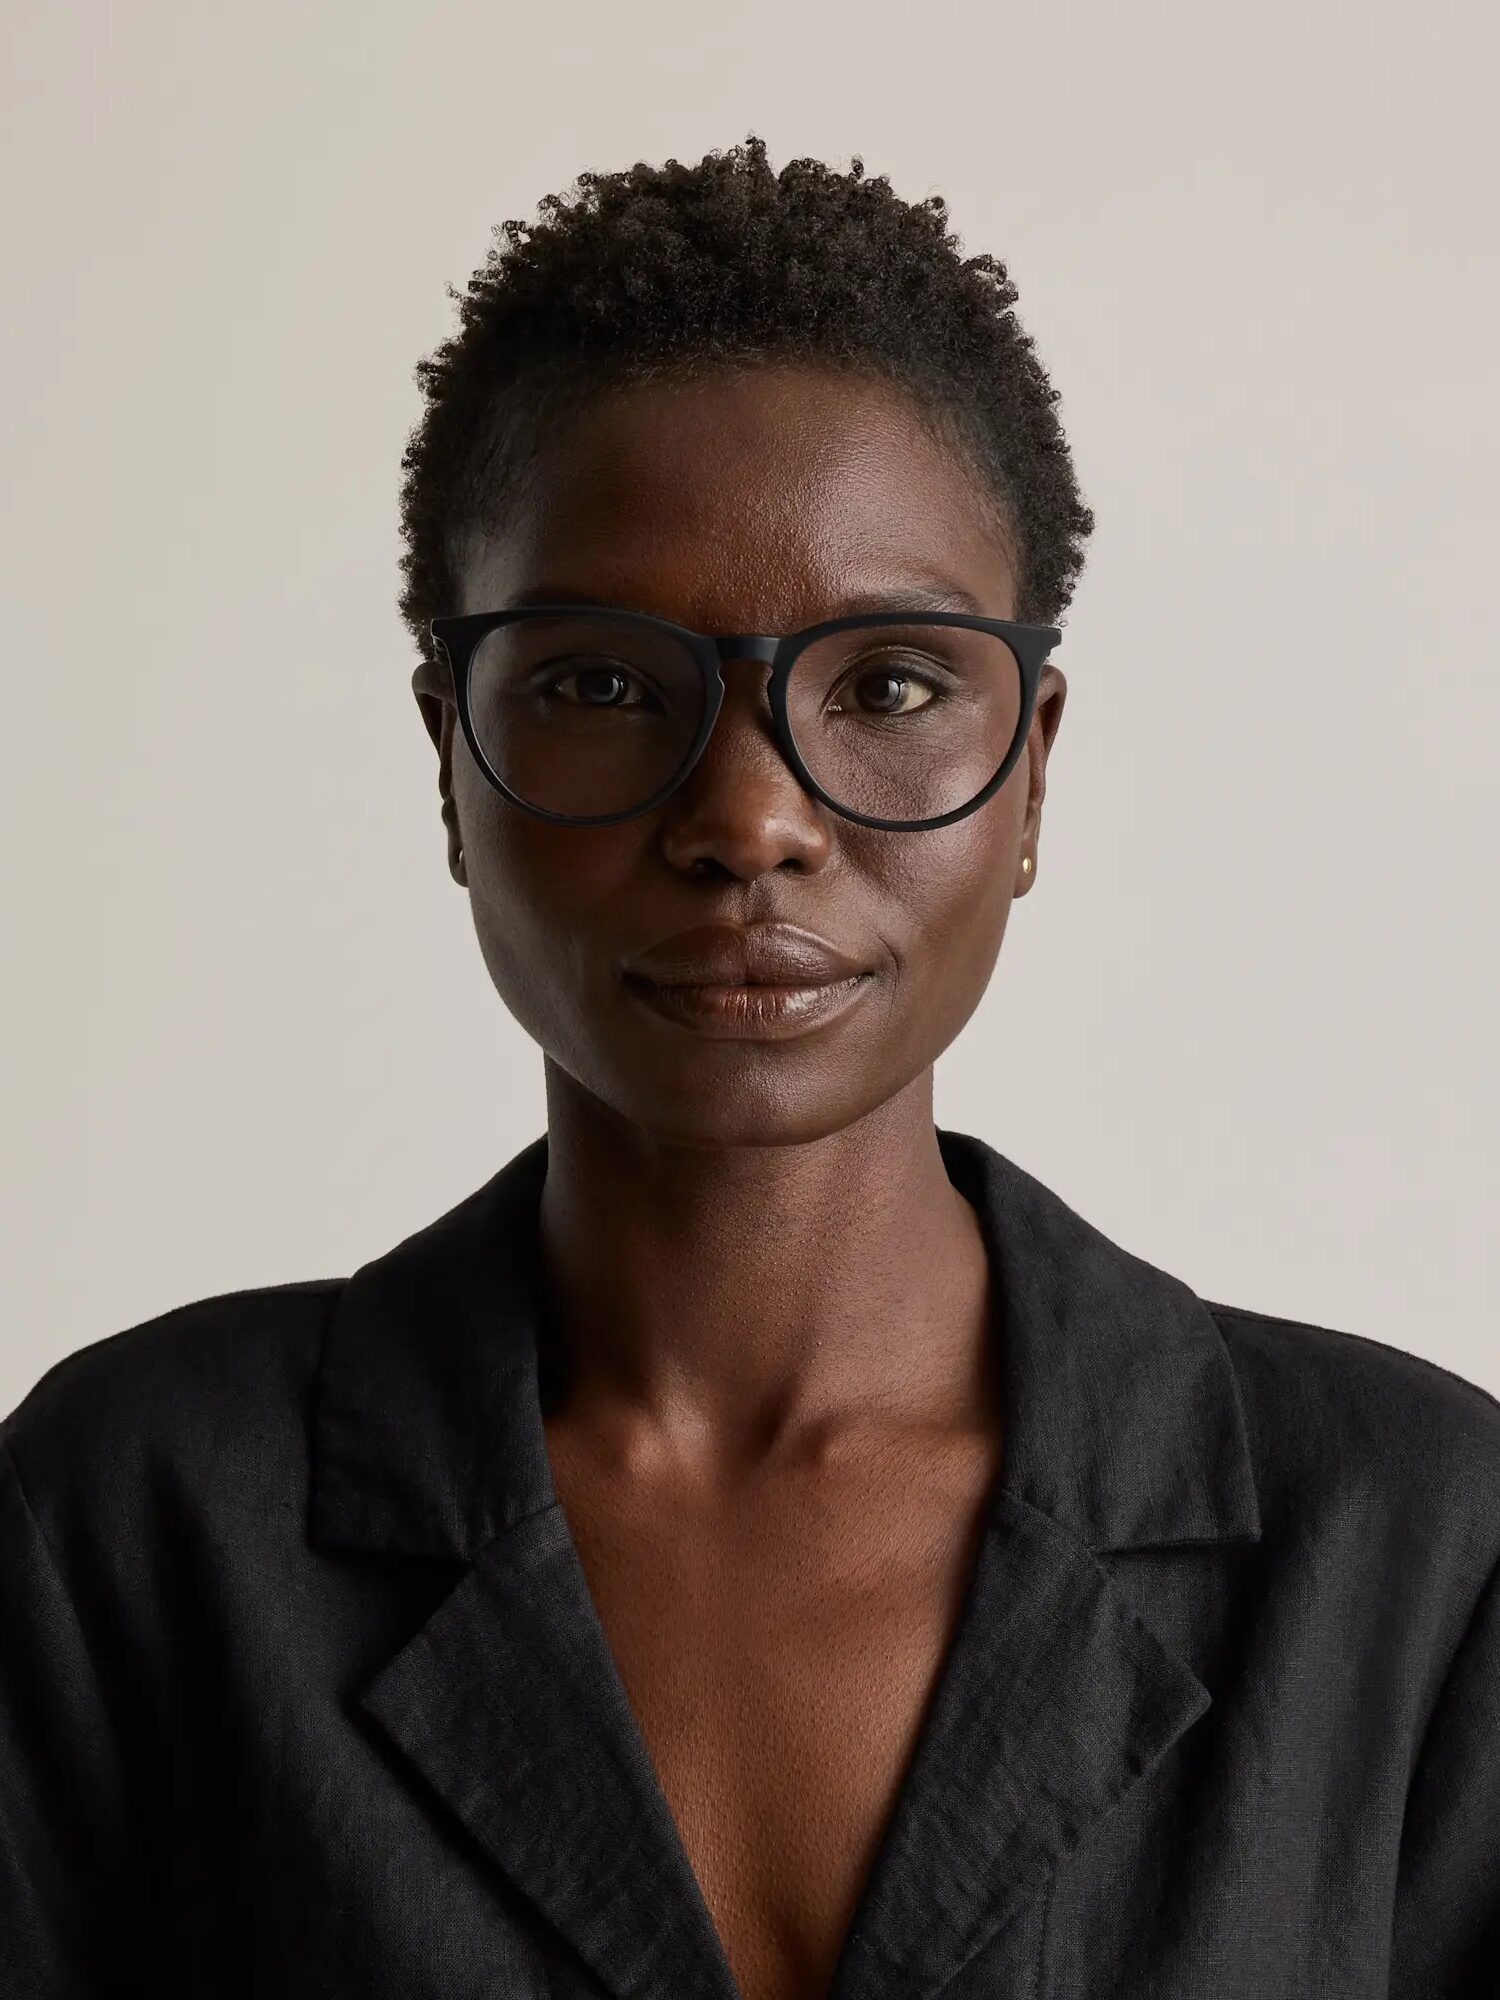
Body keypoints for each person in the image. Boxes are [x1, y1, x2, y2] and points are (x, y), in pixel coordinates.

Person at [2, 135, 1496, 2000]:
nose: (750, 821)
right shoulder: (127, 1526)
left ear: (1031, 769)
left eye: (885, 686)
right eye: (607, 684)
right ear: (448, 760)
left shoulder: (1419, 1548)